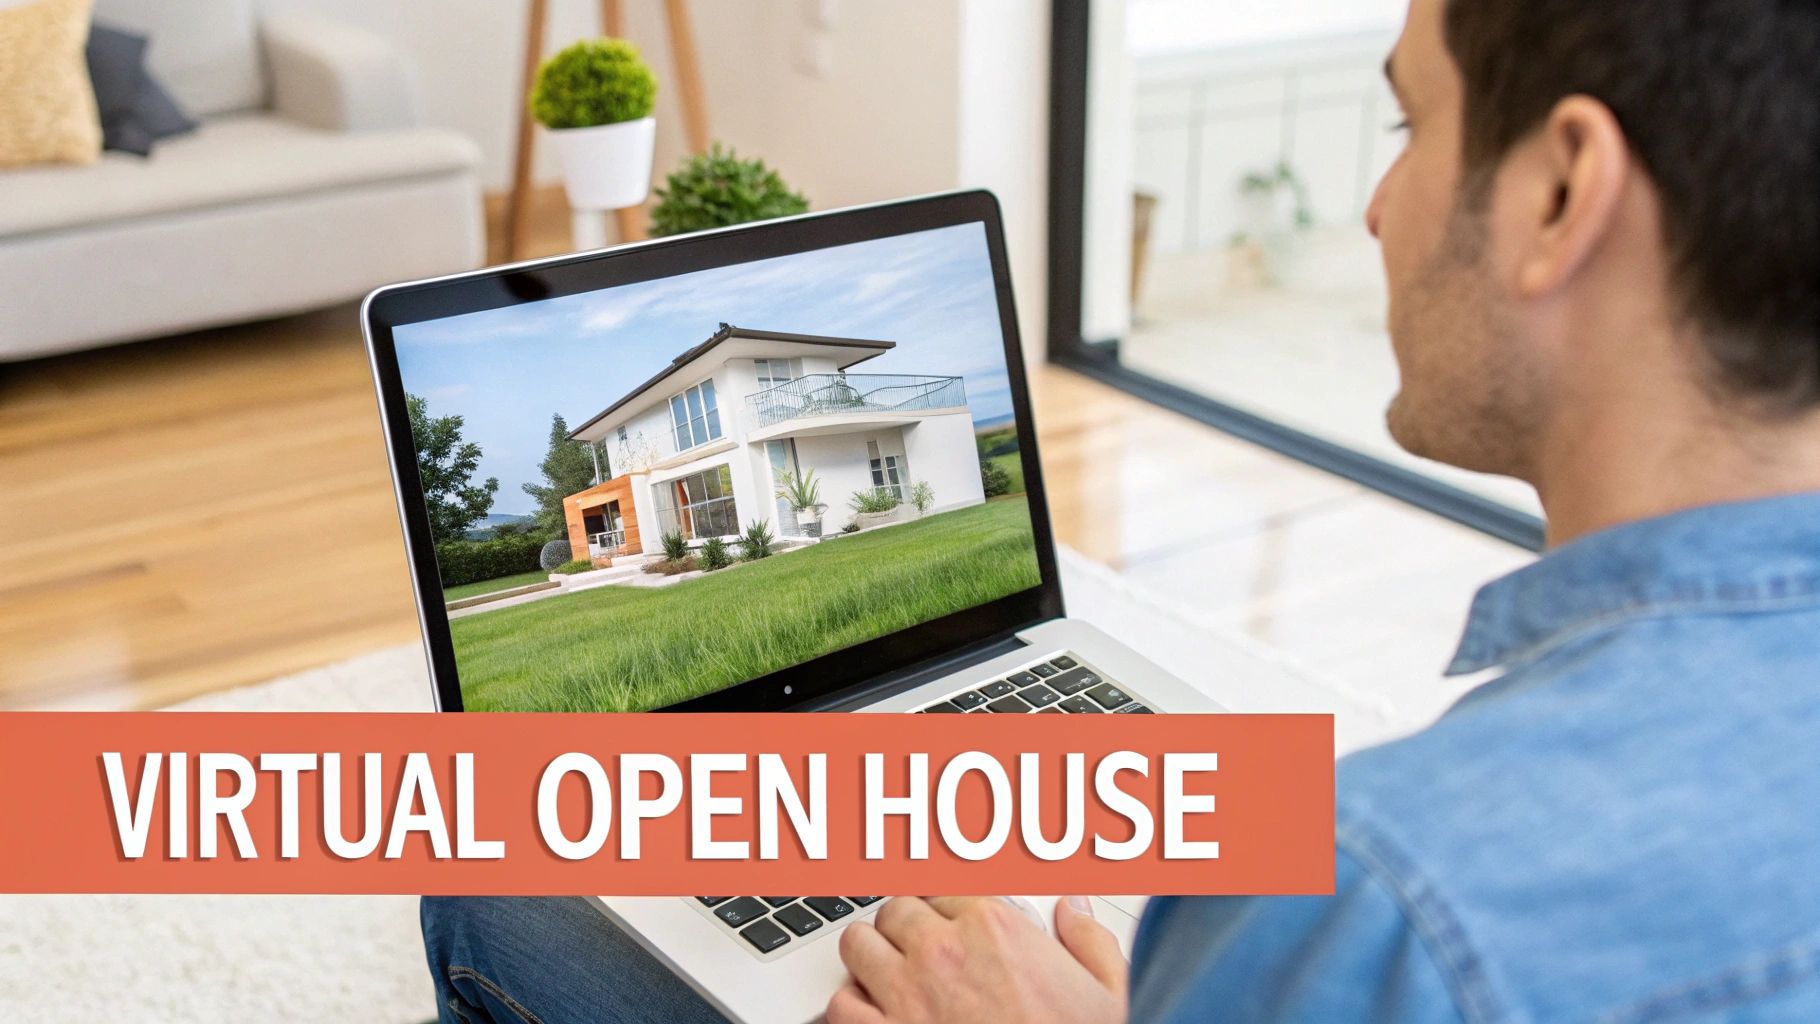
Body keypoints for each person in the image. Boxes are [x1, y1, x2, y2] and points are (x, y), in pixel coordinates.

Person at [421, 0, 1820, 1018]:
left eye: (1411, 122)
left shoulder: (1383, 902)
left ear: (1563, 190)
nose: (1379, 208)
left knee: (496, 885)